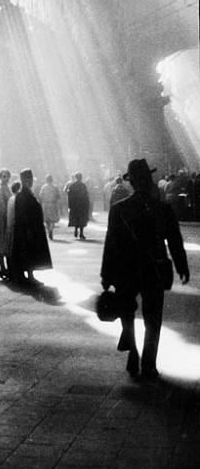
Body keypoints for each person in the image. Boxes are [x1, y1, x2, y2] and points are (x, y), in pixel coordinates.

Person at [101, 159, 190, 380]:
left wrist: (106, 274)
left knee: (127, 312)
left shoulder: (118, 209)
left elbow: (110, 243)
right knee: (153, 318)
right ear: (150, 181)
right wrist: (181, 266)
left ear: (131, 182)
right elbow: (175, 241)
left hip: (126, 270)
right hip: (154, 268)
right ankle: (148, 363)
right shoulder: (162, 209)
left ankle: (132, 350)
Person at [8, 168, 53, 286]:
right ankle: (29, 276)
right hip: (27, 230)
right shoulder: (23, 195)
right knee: (28, 252)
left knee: (30, 252)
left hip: (31, 228)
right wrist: (27, 229)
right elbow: (22, 215)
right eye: (29, 179)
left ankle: (29, 275)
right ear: (24, 181)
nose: (31, 182)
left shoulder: (27, 193)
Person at [0, 168, 12, 278]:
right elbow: (1, 206)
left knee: (7, 244)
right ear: (0, 177)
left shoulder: (7, 188)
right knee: (1, 244)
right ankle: (2, 268)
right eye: (4, 176)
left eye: (7, 176)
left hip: (7, 218)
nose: (6, 178)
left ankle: (9, 267)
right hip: (2, 219)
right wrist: (7, 217)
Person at [67, 172, 90, 240]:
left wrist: (70, 205)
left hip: (74, 205)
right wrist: (87, 204)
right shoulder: (83, 186)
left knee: (76, 218)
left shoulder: (72, 185)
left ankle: (76, 230)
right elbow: (86, 196)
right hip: (82, 205)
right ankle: (81, 233)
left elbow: (69, 196)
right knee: (82, 219)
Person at [39, 174, 61, 240]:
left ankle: (49, 231)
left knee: (47, 219)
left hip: (45, 204)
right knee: (53, 218)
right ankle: (51, 230)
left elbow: (40, 195)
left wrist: (44, 199)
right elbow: (58, 196)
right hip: (53, 204)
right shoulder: (55, 187)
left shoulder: (44, 187)